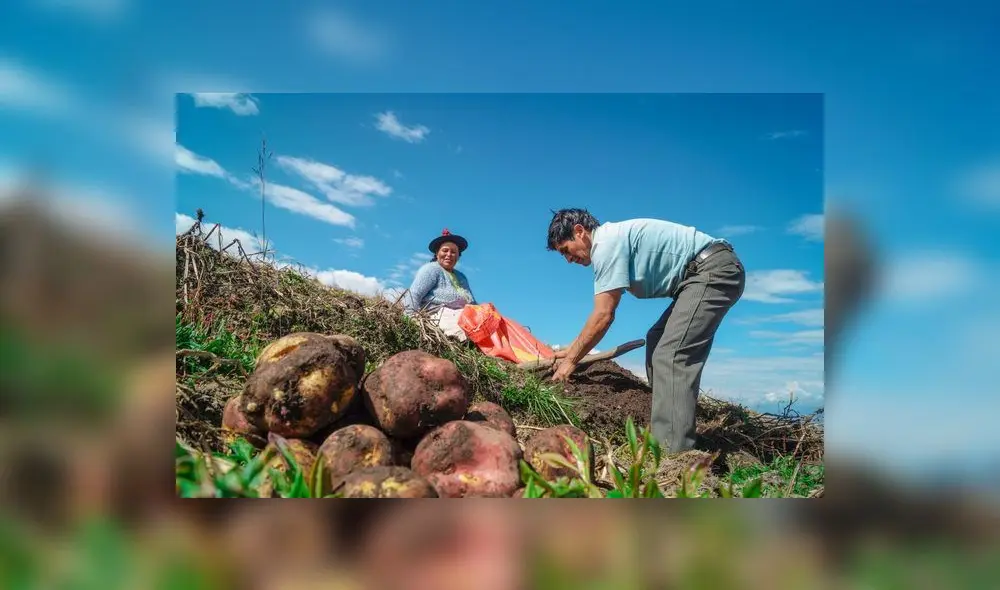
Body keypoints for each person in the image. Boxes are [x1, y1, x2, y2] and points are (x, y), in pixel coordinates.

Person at [545, 208, 745, 455]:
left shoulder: (605, 244)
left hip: (712, 271)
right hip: (698, 276)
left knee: (672, 354)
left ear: (579, 231)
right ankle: (667, 425)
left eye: (565, 250)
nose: (567, 259)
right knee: (657, 339)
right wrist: (573, 348)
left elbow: (603, 315)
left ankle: (674, 454)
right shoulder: (610, 240)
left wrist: (570, 361)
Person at [404, 228, 477, 340]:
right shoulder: (431, 269)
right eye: (445, 250)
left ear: (458, 256)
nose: (449, 254)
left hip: (465, 316)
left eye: (453, 252)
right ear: (437, 253)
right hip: (439, 315)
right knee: (466, 331)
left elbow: (472, 303)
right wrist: (410, 319)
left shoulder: (461, 277)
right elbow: (414, 294)